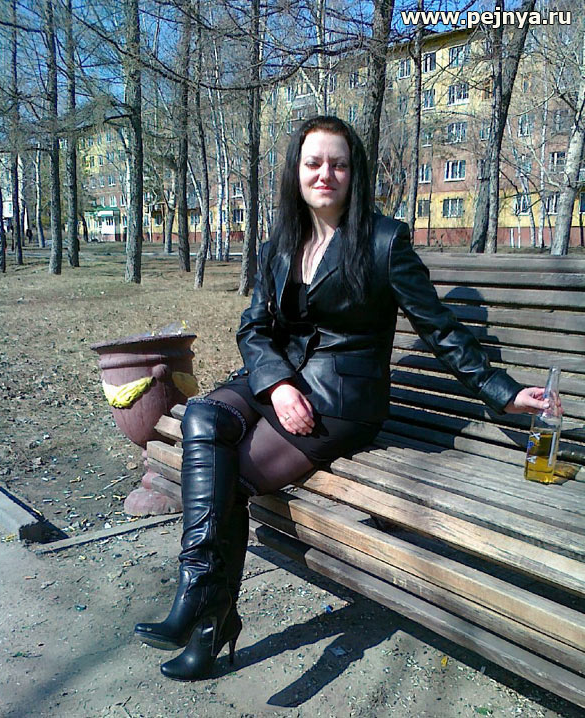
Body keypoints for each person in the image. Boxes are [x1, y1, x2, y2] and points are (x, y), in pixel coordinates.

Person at [134, 116, 549, 681]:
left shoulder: (384, 241)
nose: (324, 174)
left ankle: (208, 624)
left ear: (355, 174)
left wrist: (503, 392)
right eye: (313, 163)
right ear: (296, 172)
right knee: (204, 414)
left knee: (231, 476)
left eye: (338, 164)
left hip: (338, 401)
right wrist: (277, 384)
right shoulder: (280, 242)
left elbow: (440, 328)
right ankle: (199, 589)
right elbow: (254, 328)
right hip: (277, 381)